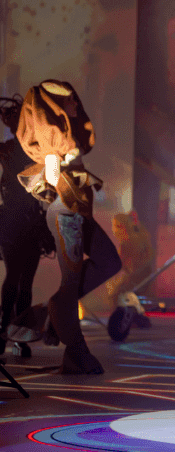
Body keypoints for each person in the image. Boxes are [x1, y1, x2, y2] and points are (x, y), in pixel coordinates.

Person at [12, 80, 121, 374]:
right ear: (56, 108)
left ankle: (52, 311)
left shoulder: (66, 142)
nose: (75, 104)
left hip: (77, 214)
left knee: (110, 261)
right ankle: (75, 349)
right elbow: (54, 181)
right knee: (70, 286)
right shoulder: (54, 146)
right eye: (69, 101)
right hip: (66, 215)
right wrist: (62, 174)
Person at [0, 95, 54, 358]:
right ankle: (6, 332)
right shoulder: (11, 148)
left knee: (23, 281)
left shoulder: (33, 148)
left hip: (29, 218)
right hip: (14, 218)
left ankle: (15, 333)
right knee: (15, 278)